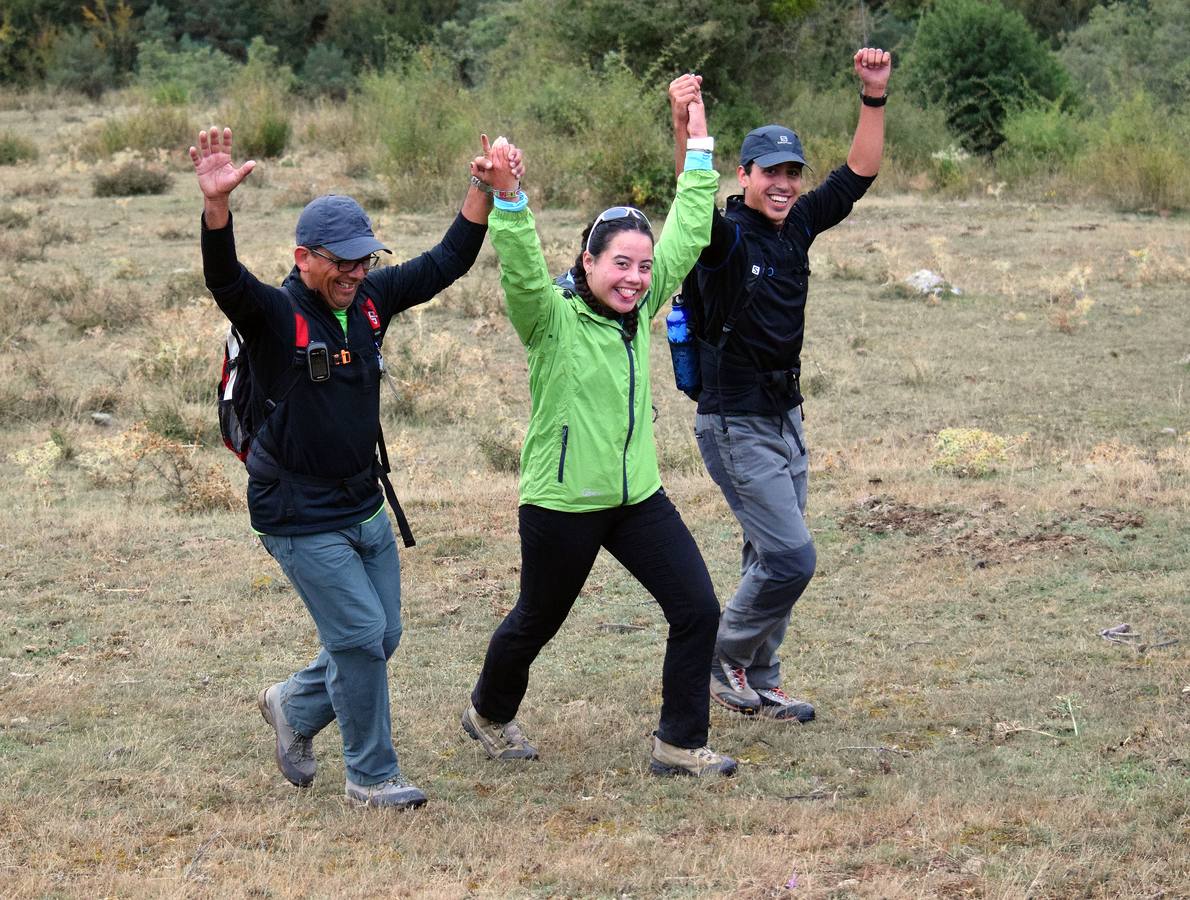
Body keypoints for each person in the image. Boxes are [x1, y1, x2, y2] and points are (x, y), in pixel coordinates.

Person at [190, 126, 519, 809]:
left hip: (364, 502)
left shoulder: (370, 301)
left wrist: (483, 187)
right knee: (362, 639)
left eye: (363, 260)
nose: (353, 273)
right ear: (303, 258)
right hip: (296, 511)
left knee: (381, 635)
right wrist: (217, 211)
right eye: (339, 262)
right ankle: (371, 776)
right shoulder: (277, 315)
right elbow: (225, 279)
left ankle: (296, 704)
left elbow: (448, 259)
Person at [460, 81, 736, 777]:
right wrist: (509, 199)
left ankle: (679, 742)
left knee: (698, 607)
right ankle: (487, 712)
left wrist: (697, 143)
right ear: (587, 261)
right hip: (562, 502)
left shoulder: (639, 311)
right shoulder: (550, 319)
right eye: (621, 264)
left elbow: (691, 226)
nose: (637, 279)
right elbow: (522, 273)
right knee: (537, 621)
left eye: (644, 267)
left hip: (635, 495)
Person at [669, 49, 893, 722]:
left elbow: (858, 174)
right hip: (734, 422)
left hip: (785, 417)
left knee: (764, 553)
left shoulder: (797, 224)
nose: (786, 184)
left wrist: (873, 95)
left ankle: (760, 679)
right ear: (745, 175)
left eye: (793, 172)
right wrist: (687, 123)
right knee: (793, 558)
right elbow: (690, 199)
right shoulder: (724, 238)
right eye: (772, 173)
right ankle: (721, 657)